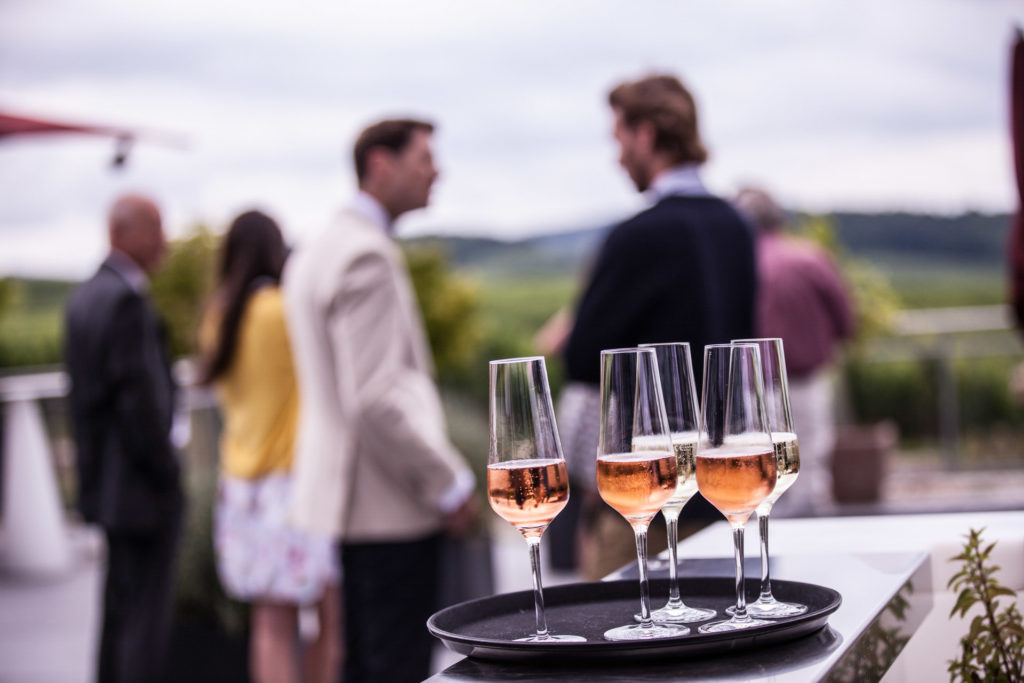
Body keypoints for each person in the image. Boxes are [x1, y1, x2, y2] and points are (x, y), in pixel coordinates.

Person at [283, 118, 477, 683]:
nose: (436, 171)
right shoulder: (365, 255)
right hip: (387, 503)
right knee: (396, 665)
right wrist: (447, 481)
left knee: (364, 660)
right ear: (379, 164)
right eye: (424, 158)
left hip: (347, 501)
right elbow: (373, 400)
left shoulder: (315, 250)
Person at [560, 74, 757, 580]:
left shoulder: (638, 236)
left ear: (645, 134)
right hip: (727, 490)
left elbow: (582, 358)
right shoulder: (736, 227)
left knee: (622, 640)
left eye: (619, 138)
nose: (618, 156)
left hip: (644, 499)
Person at [197, 211, 342, 683]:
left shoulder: (218, 318)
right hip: (296, 486)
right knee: (331, 620)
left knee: (270, 625)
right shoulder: (284, 311)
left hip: (242, 490)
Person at [65, 193, 184, 683]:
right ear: (124, 233)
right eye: (155, 229)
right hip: (140, 492)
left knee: (117, 614)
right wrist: (168, 474)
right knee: (143, 625)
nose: (165, 242)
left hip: (107, 489)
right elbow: (141, 405)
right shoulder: (125, 302)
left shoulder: (85, 296)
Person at [733, 186, 856, 515]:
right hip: (806, 383)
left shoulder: (738, 267)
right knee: (811, 472)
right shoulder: (810, 258)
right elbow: (845, 319)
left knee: (762, 480)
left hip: (754, 391)